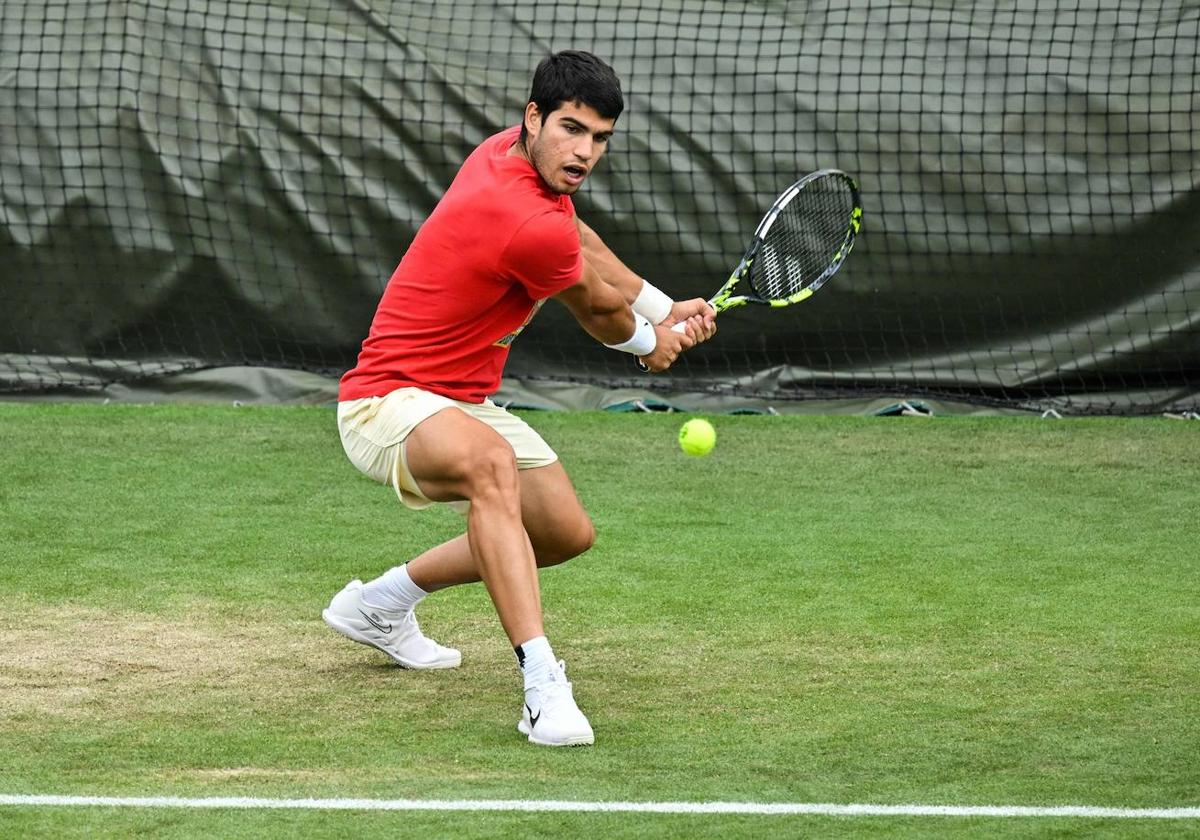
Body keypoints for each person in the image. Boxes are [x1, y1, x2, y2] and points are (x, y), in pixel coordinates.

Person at [322, 50, 716, 747]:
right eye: (571, 129)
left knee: (563, 534)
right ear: (533, 118)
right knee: (492, 466)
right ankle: (541, 687)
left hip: (458, 398)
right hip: (384, 403)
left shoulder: (510, 154)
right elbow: (596, 310)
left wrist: (660, 304)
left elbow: (582, 239)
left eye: (599, 139)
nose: (584, 151)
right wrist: (651, 340)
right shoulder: (521, 216)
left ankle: (381, 604)